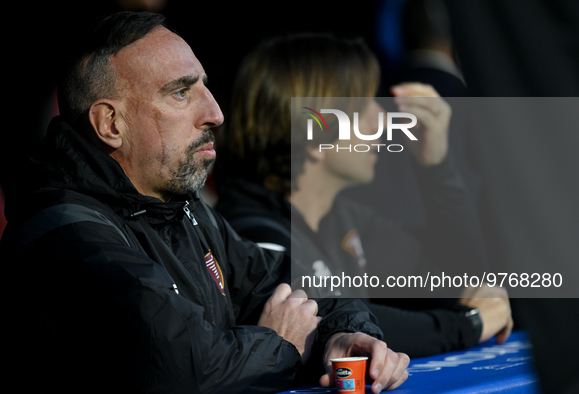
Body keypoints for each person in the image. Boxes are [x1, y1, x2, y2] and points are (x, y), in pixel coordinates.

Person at [0, 12, 409, 394]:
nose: (215, 113)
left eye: (204, 87)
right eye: (181, 92)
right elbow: (186, 367)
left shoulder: (182, 209)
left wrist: (345, 335)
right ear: (111, 124)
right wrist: (279, 343)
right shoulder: (64, 235)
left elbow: (305, 280)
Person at [214, 33, 513, 358]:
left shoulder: (344, 217)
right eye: (364, 104)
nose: (382, 118)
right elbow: (335, 321)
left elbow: (456, 280)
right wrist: (466, 324)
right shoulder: (247, 231)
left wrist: (436, 167)